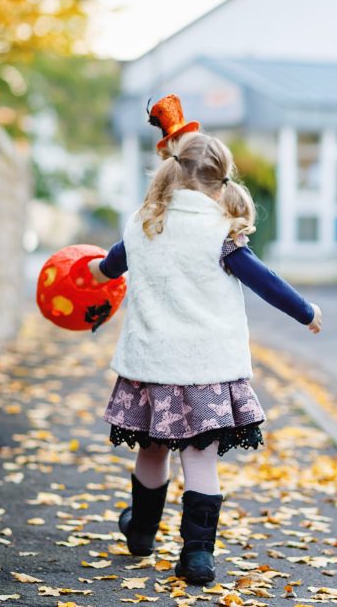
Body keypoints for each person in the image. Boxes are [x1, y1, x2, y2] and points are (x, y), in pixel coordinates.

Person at [88, 128, 322, 586]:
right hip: (206, 372)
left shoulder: (143, 224)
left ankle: (140, 532)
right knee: (200, 460)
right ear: (220, 182)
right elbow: (266, 282)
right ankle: (197, 557)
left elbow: (107, 267)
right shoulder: (221, 233)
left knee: (152, 453)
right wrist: (307, 312)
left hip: (150, 369)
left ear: (170, 173)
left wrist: (81, 271)